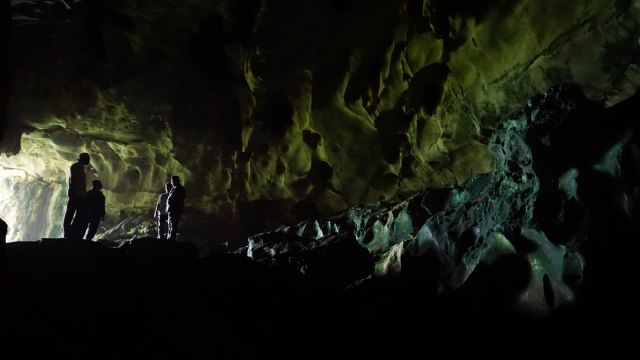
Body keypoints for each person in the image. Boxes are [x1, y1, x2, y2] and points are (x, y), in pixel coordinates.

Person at [63, 152, 90, 238]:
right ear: (84, 159)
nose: (89, 161)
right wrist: (75, 193)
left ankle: (72, 233)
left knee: (76, 215)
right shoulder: (76, 167)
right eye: (88, 159)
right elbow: (74, 181)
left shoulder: (79, 167)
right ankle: (67, 234)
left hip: (78, 195)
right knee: (70, 214)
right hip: (76, 195)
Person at [166, 175, 185, 241]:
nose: (172, 182)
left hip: (175, 209)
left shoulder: (180, 189)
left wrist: (176, 208)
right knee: (170, 223)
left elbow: (179, 200)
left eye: (173, 181)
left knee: (173, 223)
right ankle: (169, 237)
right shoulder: (174, 188)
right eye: (171, 181)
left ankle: (172, 238)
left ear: (177, 181)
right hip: (171, 209)